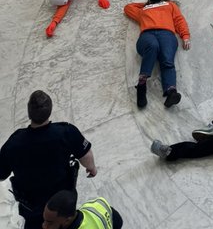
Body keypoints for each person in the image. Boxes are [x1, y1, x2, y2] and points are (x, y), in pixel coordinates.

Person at [0, 91, 95, 229]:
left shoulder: (14, 142)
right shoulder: (66, 132)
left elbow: (1, 173)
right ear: (50, 111)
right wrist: (92, 168)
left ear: (28, 111)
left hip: (31, 206)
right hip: (60, 204)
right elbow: (86, 156)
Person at [124, 0, 190, 109]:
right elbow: (128, 7)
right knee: (153, 46)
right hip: (147, 35)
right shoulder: (143, 10)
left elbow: (179, 20)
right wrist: (145, 4)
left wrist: (185, 36)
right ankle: (142, 85)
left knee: (167, 61)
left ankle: (171, 92)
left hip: (167, 34)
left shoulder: (170, 5)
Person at [41, 190, 122, 229]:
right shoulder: (96, 203)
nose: (44, 226)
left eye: (50, 223)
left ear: (67, 220)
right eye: (44, 221)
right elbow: (117, 219)